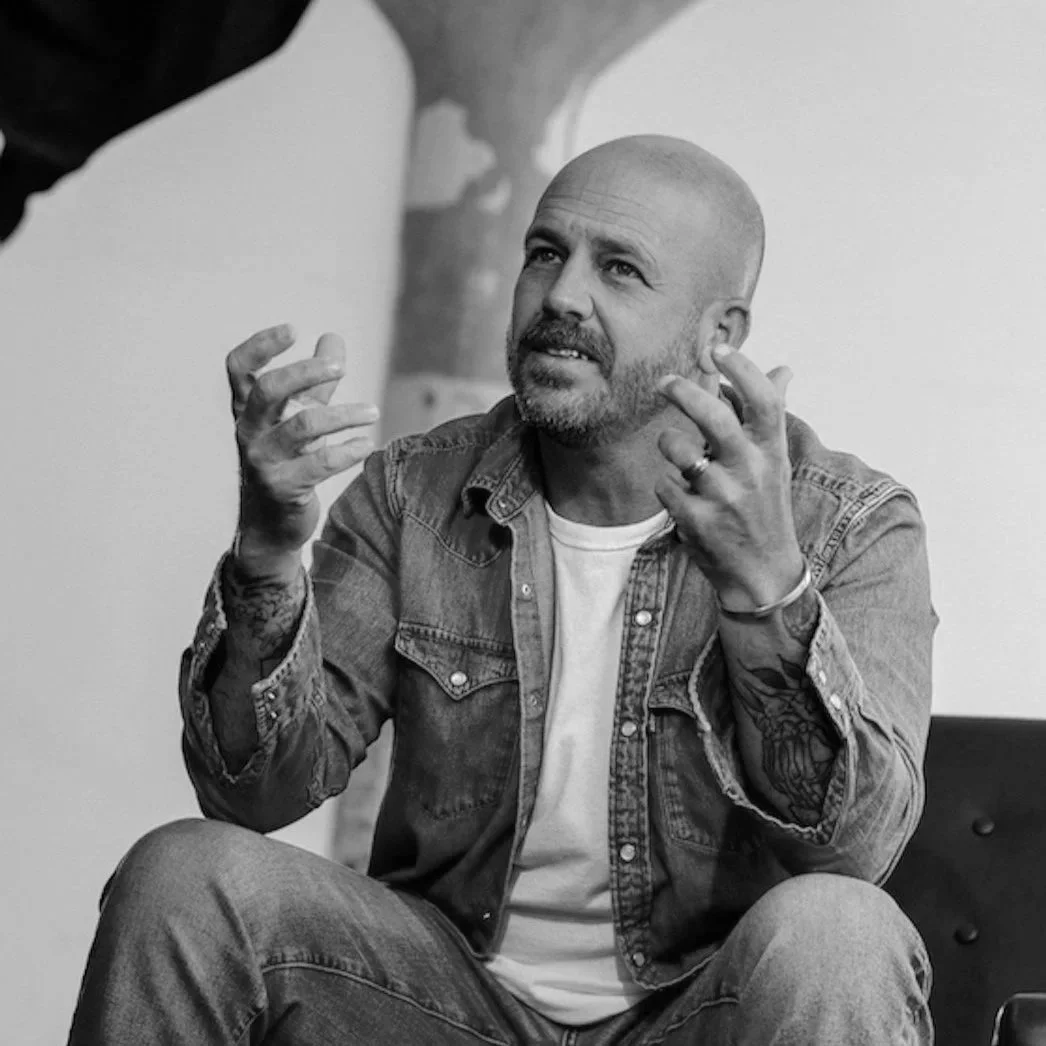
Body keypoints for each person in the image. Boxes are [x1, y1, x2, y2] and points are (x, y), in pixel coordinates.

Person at [68, 135, 936, 1045]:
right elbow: (254, 795)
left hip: (703, 1012)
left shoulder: (849, 521)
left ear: (720, 336)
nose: (562, 295)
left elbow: (852, 850)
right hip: (443, 1003)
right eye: (545, 254)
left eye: (621, 270)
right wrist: (267, 553)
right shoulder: (414, 495)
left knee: (840, 934)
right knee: (181, 875)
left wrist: (764, 585)